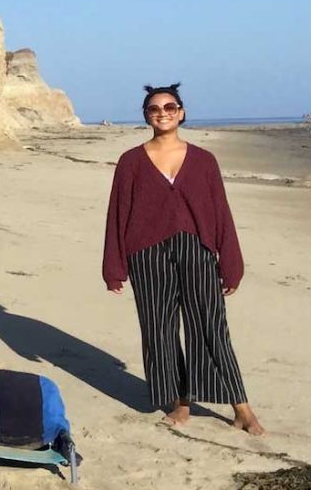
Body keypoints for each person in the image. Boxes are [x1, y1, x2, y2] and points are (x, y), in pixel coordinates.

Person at [102, 83, 263, 435]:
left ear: (182, 112)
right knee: (158, 330)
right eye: (155, 109)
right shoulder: (131, 161)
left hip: (197, 250)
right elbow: (118, 213)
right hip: (146, 253)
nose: (163, 113)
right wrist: (114, 268)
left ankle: (241, 407)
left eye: (170, 107)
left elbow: (220, 212)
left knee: (211, 328)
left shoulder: (204, 160)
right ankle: (180, 402)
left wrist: (231, 264)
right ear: (146, 116)